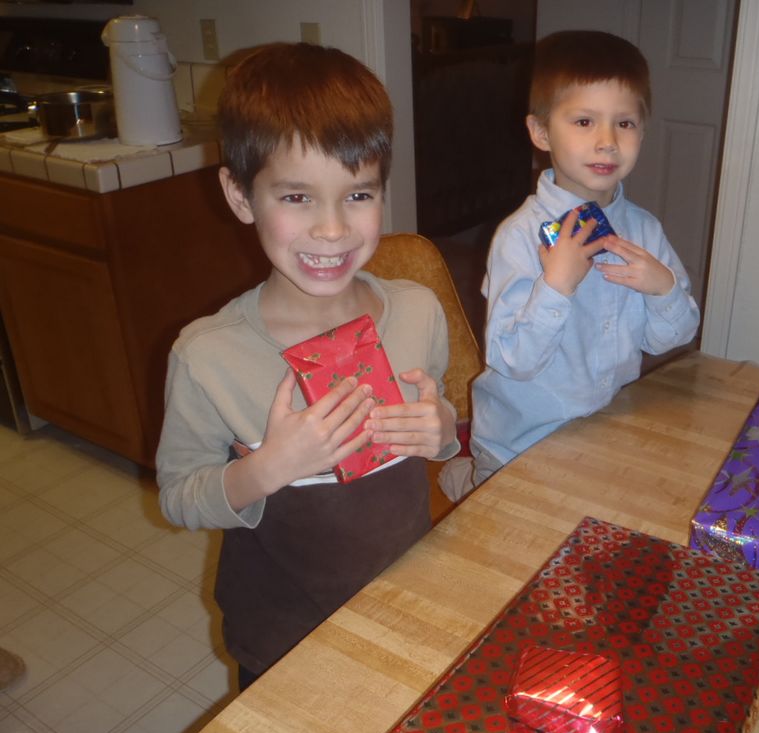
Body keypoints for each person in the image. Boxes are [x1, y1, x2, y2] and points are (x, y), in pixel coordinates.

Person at [156, 43, 458, 691]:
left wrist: (441, 431)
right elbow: (179, 496)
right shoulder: (208, 357)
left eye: (358, 194)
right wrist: (267, 468)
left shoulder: (417, 312)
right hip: (282, 636)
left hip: (405, 603)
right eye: (297, 196)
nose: (332, 229)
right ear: (241, 195)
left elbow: (441, 424)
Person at [441, 30, 700, 499]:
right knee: (511, 529)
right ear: (541, 132)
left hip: (604, 432)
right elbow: (511, 360)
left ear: (642, 131)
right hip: (520, 441)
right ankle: (471, 479)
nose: (607, 142)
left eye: (624, 123)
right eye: (584, 121)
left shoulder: (644, 231)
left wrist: (664, 289)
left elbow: (668, 338)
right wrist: (555, 287)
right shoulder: (519, 237)